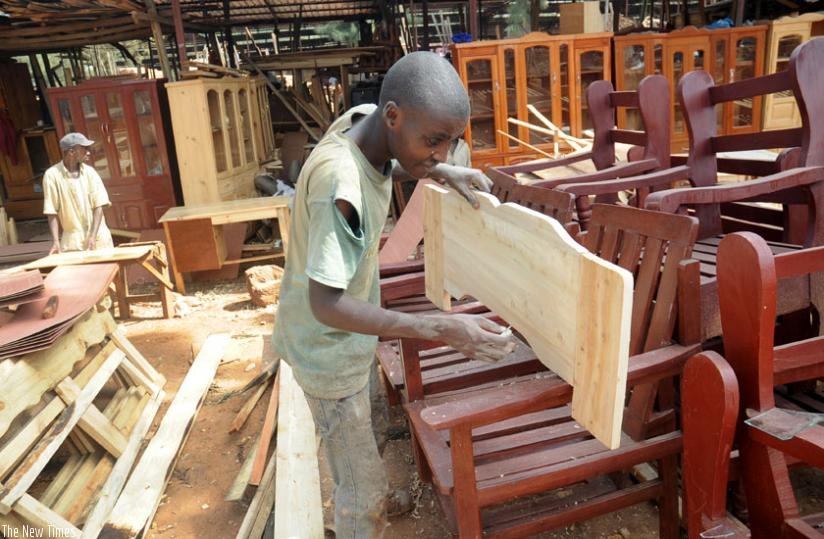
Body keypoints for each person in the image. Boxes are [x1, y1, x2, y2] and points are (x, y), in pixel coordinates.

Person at [271, 51, 515, 538]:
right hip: (327, 351)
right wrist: (439, 328)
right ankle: (365, 511)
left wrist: (443, 172)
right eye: (434, 141)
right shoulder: (341, 186)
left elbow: (389, 154)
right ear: (394, 116)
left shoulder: (363, 123)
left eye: (450, 143)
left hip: (350, 340)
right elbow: (327, 304)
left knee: (371, 438)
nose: (441, 153)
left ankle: (373, 487)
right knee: (359, 494)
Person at [42, 132, 114, 254]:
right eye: (84, 149)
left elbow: (99, 206)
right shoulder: (52, 175)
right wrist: (55, 241)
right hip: (73, 242)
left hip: (99, 239)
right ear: (71, 152)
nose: (88, 152)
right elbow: (51, 211)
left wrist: (92, 236)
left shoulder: (90, 173)